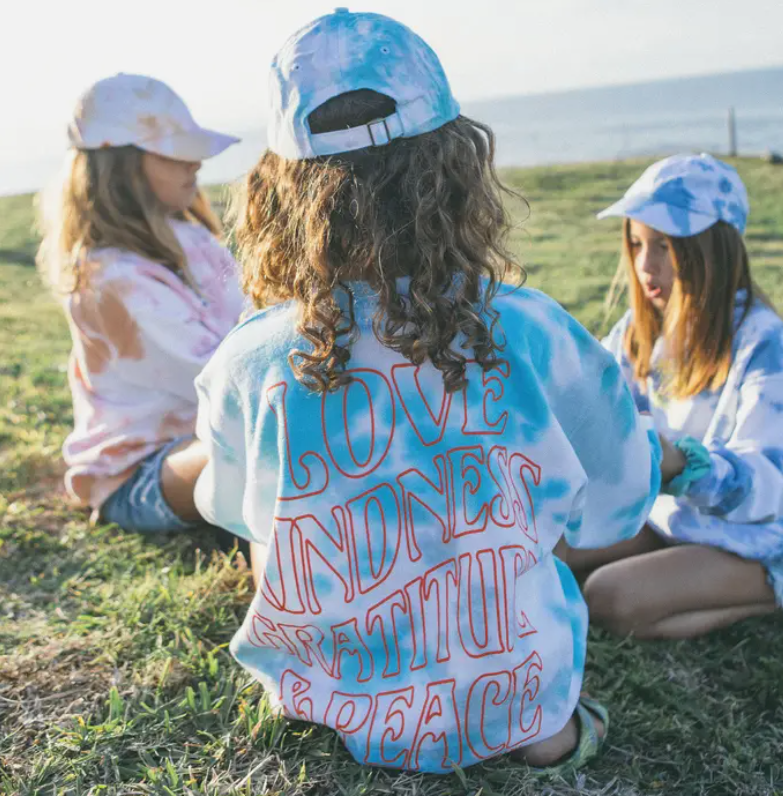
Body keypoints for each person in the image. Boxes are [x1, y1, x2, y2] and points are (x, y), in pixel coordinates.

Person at [194, 9, 665, 774]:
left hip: (333, 701)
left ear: (278, 190)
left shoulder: (250, 359)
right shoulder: (532, 330)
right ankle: (540, 726)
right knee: (539, 693)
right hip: (516, 700)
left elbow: (231, 509)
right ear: (455, 166)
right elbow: (617, 501)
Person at [567, 154, 780, 639]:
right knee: (547, 547)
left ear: (714, 249)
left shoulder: (764, 344)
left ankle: (770, 591)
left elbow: (771, 486)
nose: (645, 265)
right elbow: (595, 408)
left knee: (611, 598)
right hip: (671, 517)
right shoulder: (639, 333)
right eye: (637, 243)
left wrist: (681, 465)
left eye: (663, 245)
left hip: (760, 532)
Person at [38, 73, 244, 534]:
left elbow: (254, 318)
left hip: (212, 437)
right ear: (122, 166)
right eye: (176, 153)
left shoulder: (194, 239)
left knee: (278, 437)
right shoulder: (106, 279)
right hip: (141, 473)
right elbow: (222, 384)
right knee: (266, 449)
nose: (195, 164)